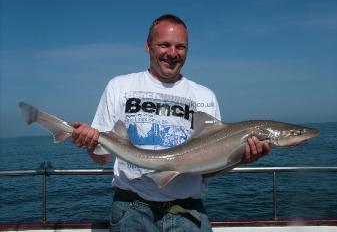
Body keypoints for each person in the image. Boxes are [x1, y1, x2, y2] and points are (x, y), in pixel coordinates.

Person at [71, 14, 271, 232]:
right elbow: (102, 158)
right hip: (131, 209)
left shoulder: (204, 96)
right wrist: (90, 144)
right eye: (164, 45)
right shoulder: (119, 87)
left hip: (188, 212)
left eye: (181, 47)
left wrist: (239, 158)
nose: (173, 53)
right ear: (148, 46)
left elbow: (207, 171)